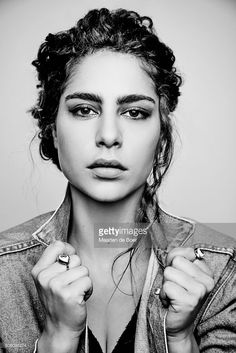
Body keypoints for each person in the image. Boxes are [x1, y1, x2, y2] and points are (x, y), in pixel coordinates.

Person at [0, 7, 235, 353]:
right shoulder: (5, 270)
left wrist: (181, 339)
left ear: (161, 132)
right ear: (52, 126)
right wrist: (56, 340)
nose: (109, 136)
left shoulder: (222, 268)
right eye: (84, 109)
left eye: (135, 112)